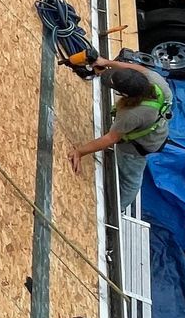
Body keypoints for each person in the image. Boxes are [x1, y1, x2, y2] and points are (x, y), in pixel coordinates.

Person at [68, 57, 173, 210]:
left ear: (124, 94)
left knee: (131, 180)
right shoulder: (157, 82)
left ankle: (120, 207)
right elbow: (140, 69)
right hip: (157, 131)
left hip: (138, 147)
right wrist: (106, 62)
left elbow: (111, 138)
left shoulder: (133, 114)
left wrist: (79, 152)